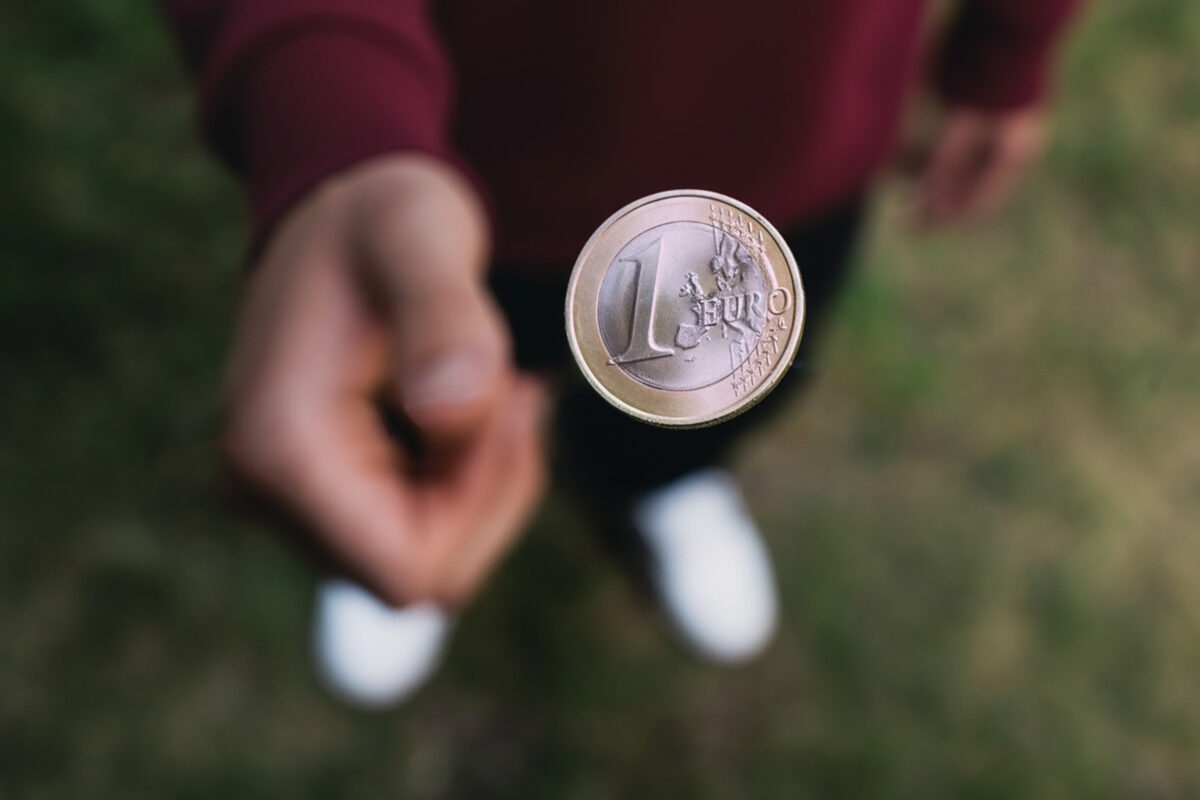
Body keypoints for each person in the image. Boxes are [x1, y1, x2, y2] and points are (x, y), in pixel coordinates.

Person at [161, 0, 1084, 707]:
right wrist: (329, 111)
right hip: (466, 141)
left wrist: (1012, 44)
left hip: (789, 137)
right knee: (433, 386)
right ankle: (404, 496)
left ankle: (659, 479)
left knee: (711, 386)